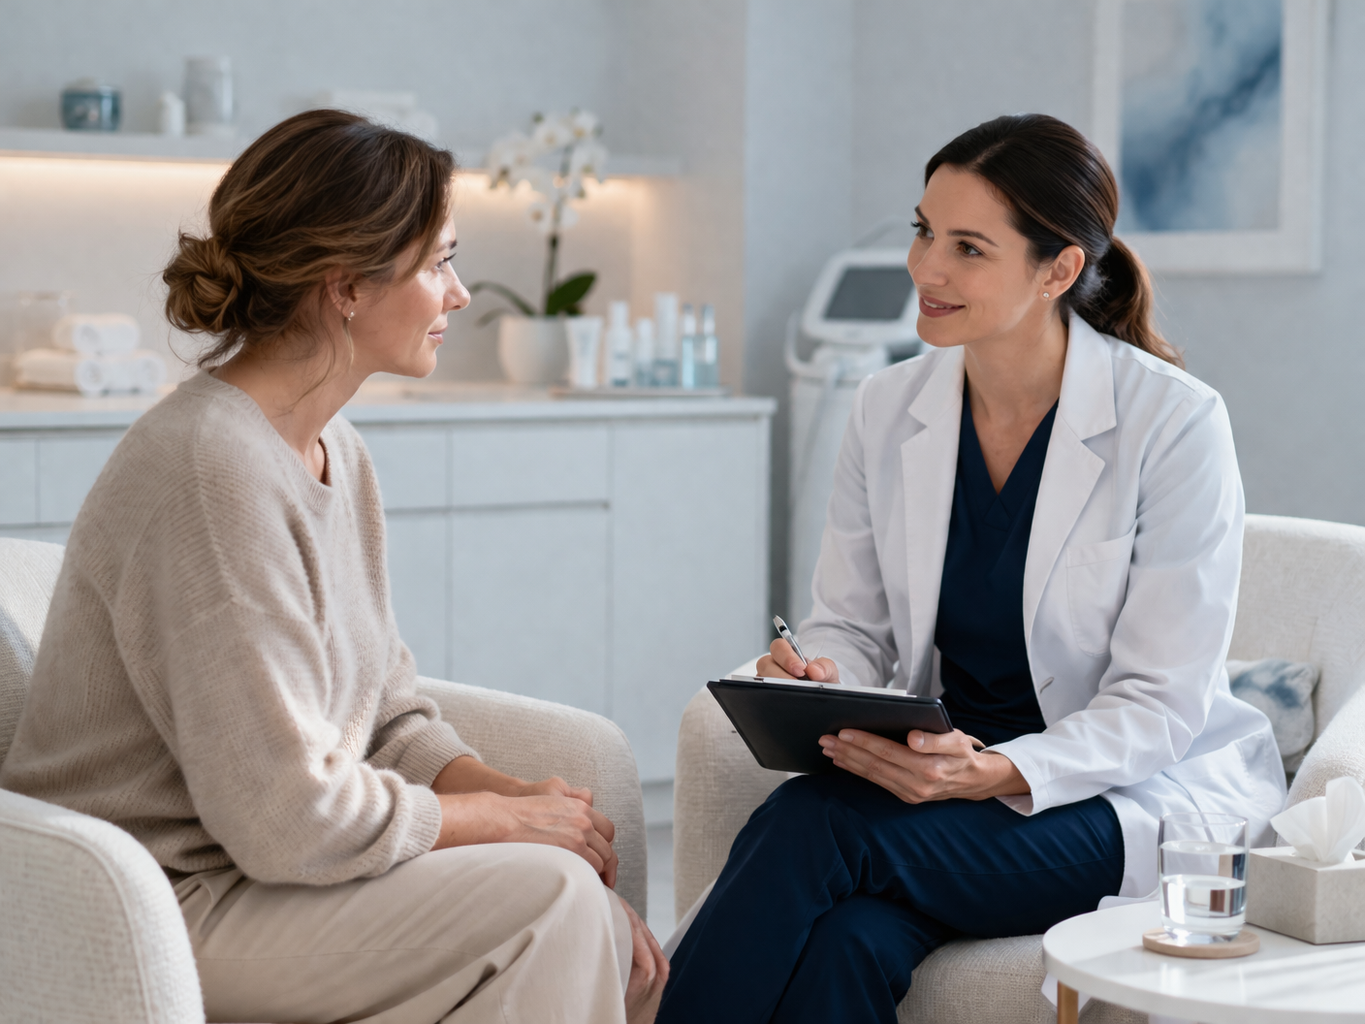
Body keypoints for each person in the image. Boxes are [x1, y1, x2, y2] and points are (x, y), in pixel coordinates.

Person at [0, 109, 667, 1024]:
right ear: (345, 285)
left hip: (262, 880)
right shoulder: (209, 470)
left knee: (569, 895)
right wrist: (504, 826)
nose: (458, 294)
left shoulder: (332, 450)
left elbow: (384, 715)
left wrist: (514, 796)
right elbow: (288, 818)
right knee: (552, 900)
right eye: (438, 264)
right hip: (150, 900)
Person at [657, 114, 1286, 1023]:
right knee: (849, 941)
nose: (926, 268)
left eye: (967, 248)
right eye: (923, 231)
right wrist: (823, 672)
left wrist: (994, 772)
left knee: (816, 822)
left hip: (1111, 797)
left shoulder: (1173, 422)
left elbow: (1157, 706)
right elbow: (853, 623)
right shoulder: (887, 407)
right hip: (944, 780)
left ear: (1057, 270)